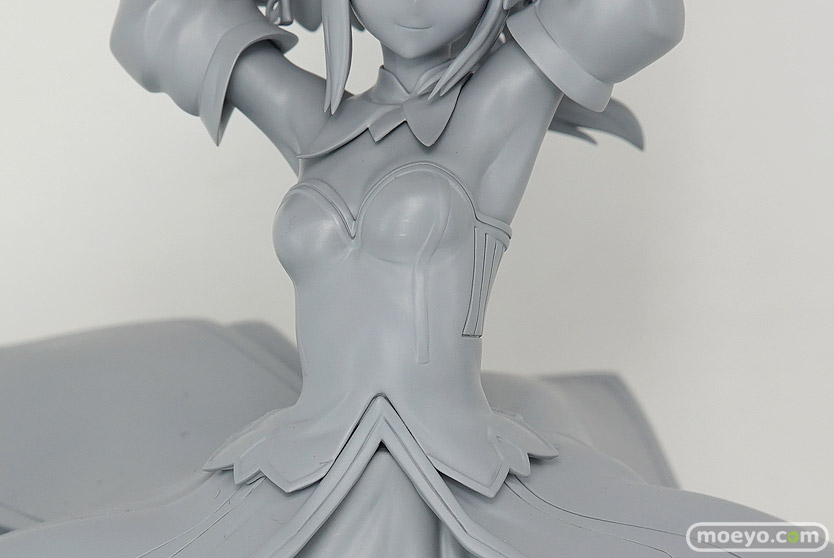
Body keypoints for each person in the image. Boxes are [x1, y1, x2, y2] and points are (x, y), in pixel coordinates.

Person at [1, 0, 828, 556]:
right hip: (295, 463)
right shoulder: (314, 122)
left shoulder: (499, 107)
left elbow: (641, 10)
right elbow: (152, 20)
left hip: (450, 465)